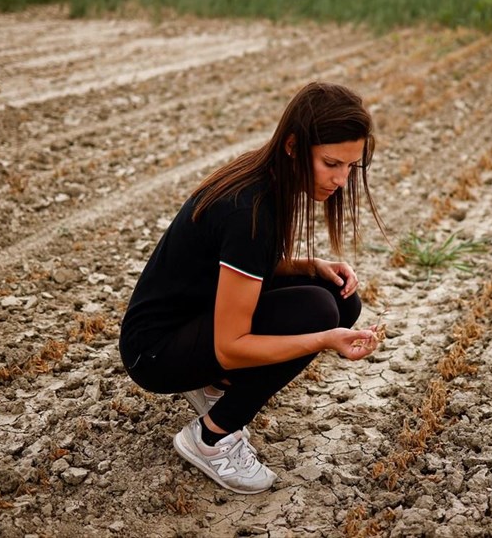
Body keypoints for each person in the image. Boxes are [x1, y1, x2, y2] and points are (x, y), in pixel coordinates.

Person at [118, 82, 386, 495]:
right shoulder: (250, 209)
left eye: (351, 167)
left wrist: (307, 265)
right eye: (332, 163)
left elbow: (236, 268)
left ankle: (216, 387)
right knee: (319, 311)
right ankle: (211, 438)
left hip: (194, 317)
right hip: (154, 351)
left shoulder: (268, 178)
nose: (342, 180)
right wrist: (324, 339)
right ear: (294, 147)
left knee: (337, 297)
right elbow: (230, 345)